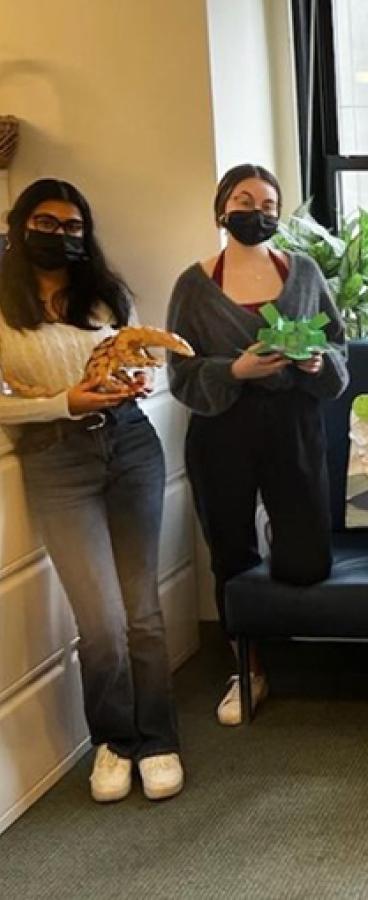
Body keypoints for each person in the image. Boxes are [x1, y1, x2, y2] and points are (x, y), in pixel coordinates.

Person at [0, 178, 183, 801]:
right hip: (57, 460)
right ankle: (113, 740)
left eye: (74, 227)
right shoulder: (3, 305)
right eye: (47, 224)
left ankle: (158, 739)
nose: (62, 236)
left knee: (144, 611)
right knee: (100, 618)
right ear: (21, 227)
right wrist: (62, 403)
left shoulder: (106, 297)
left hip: (130, 446)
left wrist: (131, 382)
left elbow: (133, 360)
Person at [166, 163, 349, 726]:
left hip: (294, 423)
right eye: (246, 201)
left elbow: (340, 355)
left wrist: (320, 363)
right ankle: (248, 667)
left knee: (306, 560)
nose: (259, 212)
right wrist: (234, 370)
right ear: (222, 208)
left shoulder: (303, 273)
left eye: (270, 205)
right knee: (230, 553)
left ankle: (280, 562)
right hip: (222, 429)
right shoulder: (194, 285)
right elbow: (180, 373)